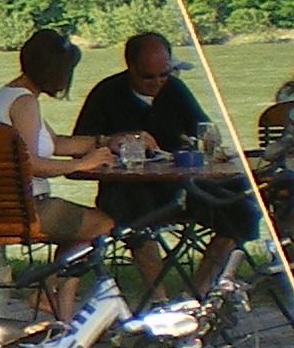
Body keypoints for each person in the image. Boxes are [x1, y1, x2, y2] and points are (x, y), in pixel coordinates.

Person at [71, 31, 245, 290]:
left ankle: (198, 292)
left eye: (164, 74)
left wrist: (197, 147)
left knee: (240, 203)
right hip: (129, 187)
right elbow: (79, 147)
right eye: (148, 77)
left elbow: (203, 132)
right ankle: (158, 296)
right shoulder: (107, 93)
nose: (158, 83)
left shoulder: (175, 89)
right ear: (130, 67)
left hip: (181, 184)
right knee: (130, 210)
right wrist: (113, 142)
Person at [0, 28, 115, 316]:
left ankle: (50, 294)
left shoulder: (11, 95)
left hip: (13, 203)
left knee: (81, 229)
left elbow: (55, 143)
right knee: (103, 224)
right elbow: (30, 162)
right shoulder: (24, 103)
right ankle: (57, 298)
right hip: (27, 206)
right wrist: (80, 165)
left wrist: (105, 142)